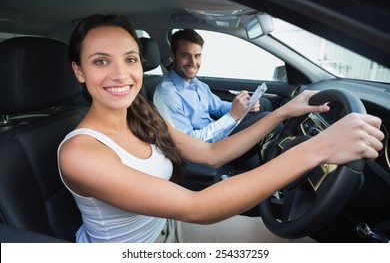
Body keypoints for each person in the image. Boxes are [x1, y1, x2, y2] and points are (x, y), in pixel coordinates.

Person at [57, 14, 384, 243]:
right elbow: (196, 207)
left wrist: (283, 112)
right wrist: (318, 148)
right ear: (79, 71)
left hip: (170, 228)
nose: (121, 74)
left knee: (300, 244)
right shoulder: (80, 153)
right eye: (101, 61)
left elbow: (211, 154)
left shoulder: (139, 114)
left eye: (129, 59)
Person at [153, 29, 279, 170]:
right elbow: (190, 142)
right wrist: (232, 116)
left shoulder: (197, 85)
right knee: (272, 122)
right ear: (173, 55)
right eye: (185, 56)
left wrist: (242, 105)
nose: (193, 62)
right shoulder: (167, 94)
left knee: (264, 105)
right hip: (211, 150)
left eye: (197, 56)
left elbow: (218, 106)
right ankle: (274, 173)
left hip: (220, 134)